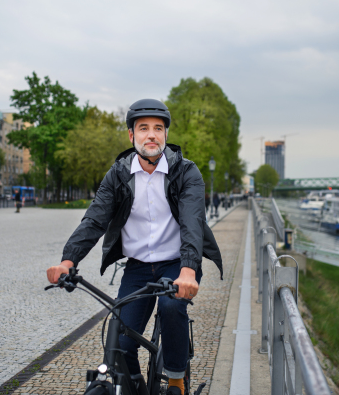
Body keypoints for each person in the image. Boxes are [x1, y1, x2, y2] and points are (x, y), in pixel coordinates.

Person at [46, 99, 222, 395]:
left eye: (158, 128)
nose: (151, 135)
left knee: (170, 305)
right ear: (132, 136)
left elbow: (192, 223)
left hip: (177, 265)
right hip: (138, 268)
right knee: (119, 343)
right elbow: (94, 219)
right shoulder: (118, 174)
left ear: (166, 135)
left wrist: (189, 270)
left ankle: (177, 381)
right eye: (143, 129)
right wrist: (68, 261)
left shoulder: (187, 173)